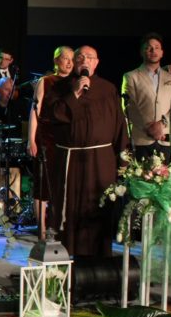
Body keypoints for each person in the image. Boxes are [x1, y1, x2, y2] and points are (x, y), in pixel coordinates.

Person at [43, 46, 129, 257]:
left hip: (101, 161)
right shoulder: (61, 87)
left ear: (96, 63)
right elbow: (53, 115)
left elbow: (119, 125)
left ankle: (100, 261)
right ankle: (67, 257)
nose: (84, 61)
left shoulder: (108, 89)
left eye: (89, 57)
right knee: (71, 211)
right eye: (80, 57)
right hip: (71, 160)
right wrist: (74, 94)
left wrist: (124, 159)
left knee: (99, 209)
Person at [28, 46, 74, 238]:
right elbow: (34, 110)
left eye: (72, 59)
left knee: (66, 184)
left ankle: (64, 226)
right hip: (46, 138)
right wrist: (31, 139)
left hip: (69, 138)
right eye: (65, 58)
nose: (69, 63)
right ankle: (42, 229)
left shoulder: (76, 82)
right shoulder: (45, 81)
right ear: (56, 61)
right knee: (43, 184)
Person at [121, 33, 171, 162]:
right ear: (142, 51)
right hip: (142, 137)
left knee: (164, 179)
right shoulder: (131, 76)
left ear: (162, 52)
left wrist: (162, 124)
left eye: (157, 47)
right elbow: (129, 106)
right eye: (149, 48)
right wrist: (149, 127)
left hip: (165, 138)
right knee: (141, 180)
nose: (153, 51)